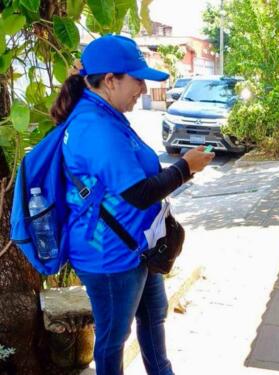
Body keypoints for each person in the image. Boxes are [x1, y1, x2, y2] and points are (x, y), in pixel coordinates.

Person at [50, 35, 214, 375]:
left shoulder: (105, 112)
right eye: (137, 79)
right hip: (109, 255)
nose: (143, 87)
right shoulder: (95, 125)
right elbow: (138, 193)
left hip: (135, 245)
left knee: (154, 313)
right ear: (110, 80)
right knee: (113, 338)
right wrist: (186, 167)